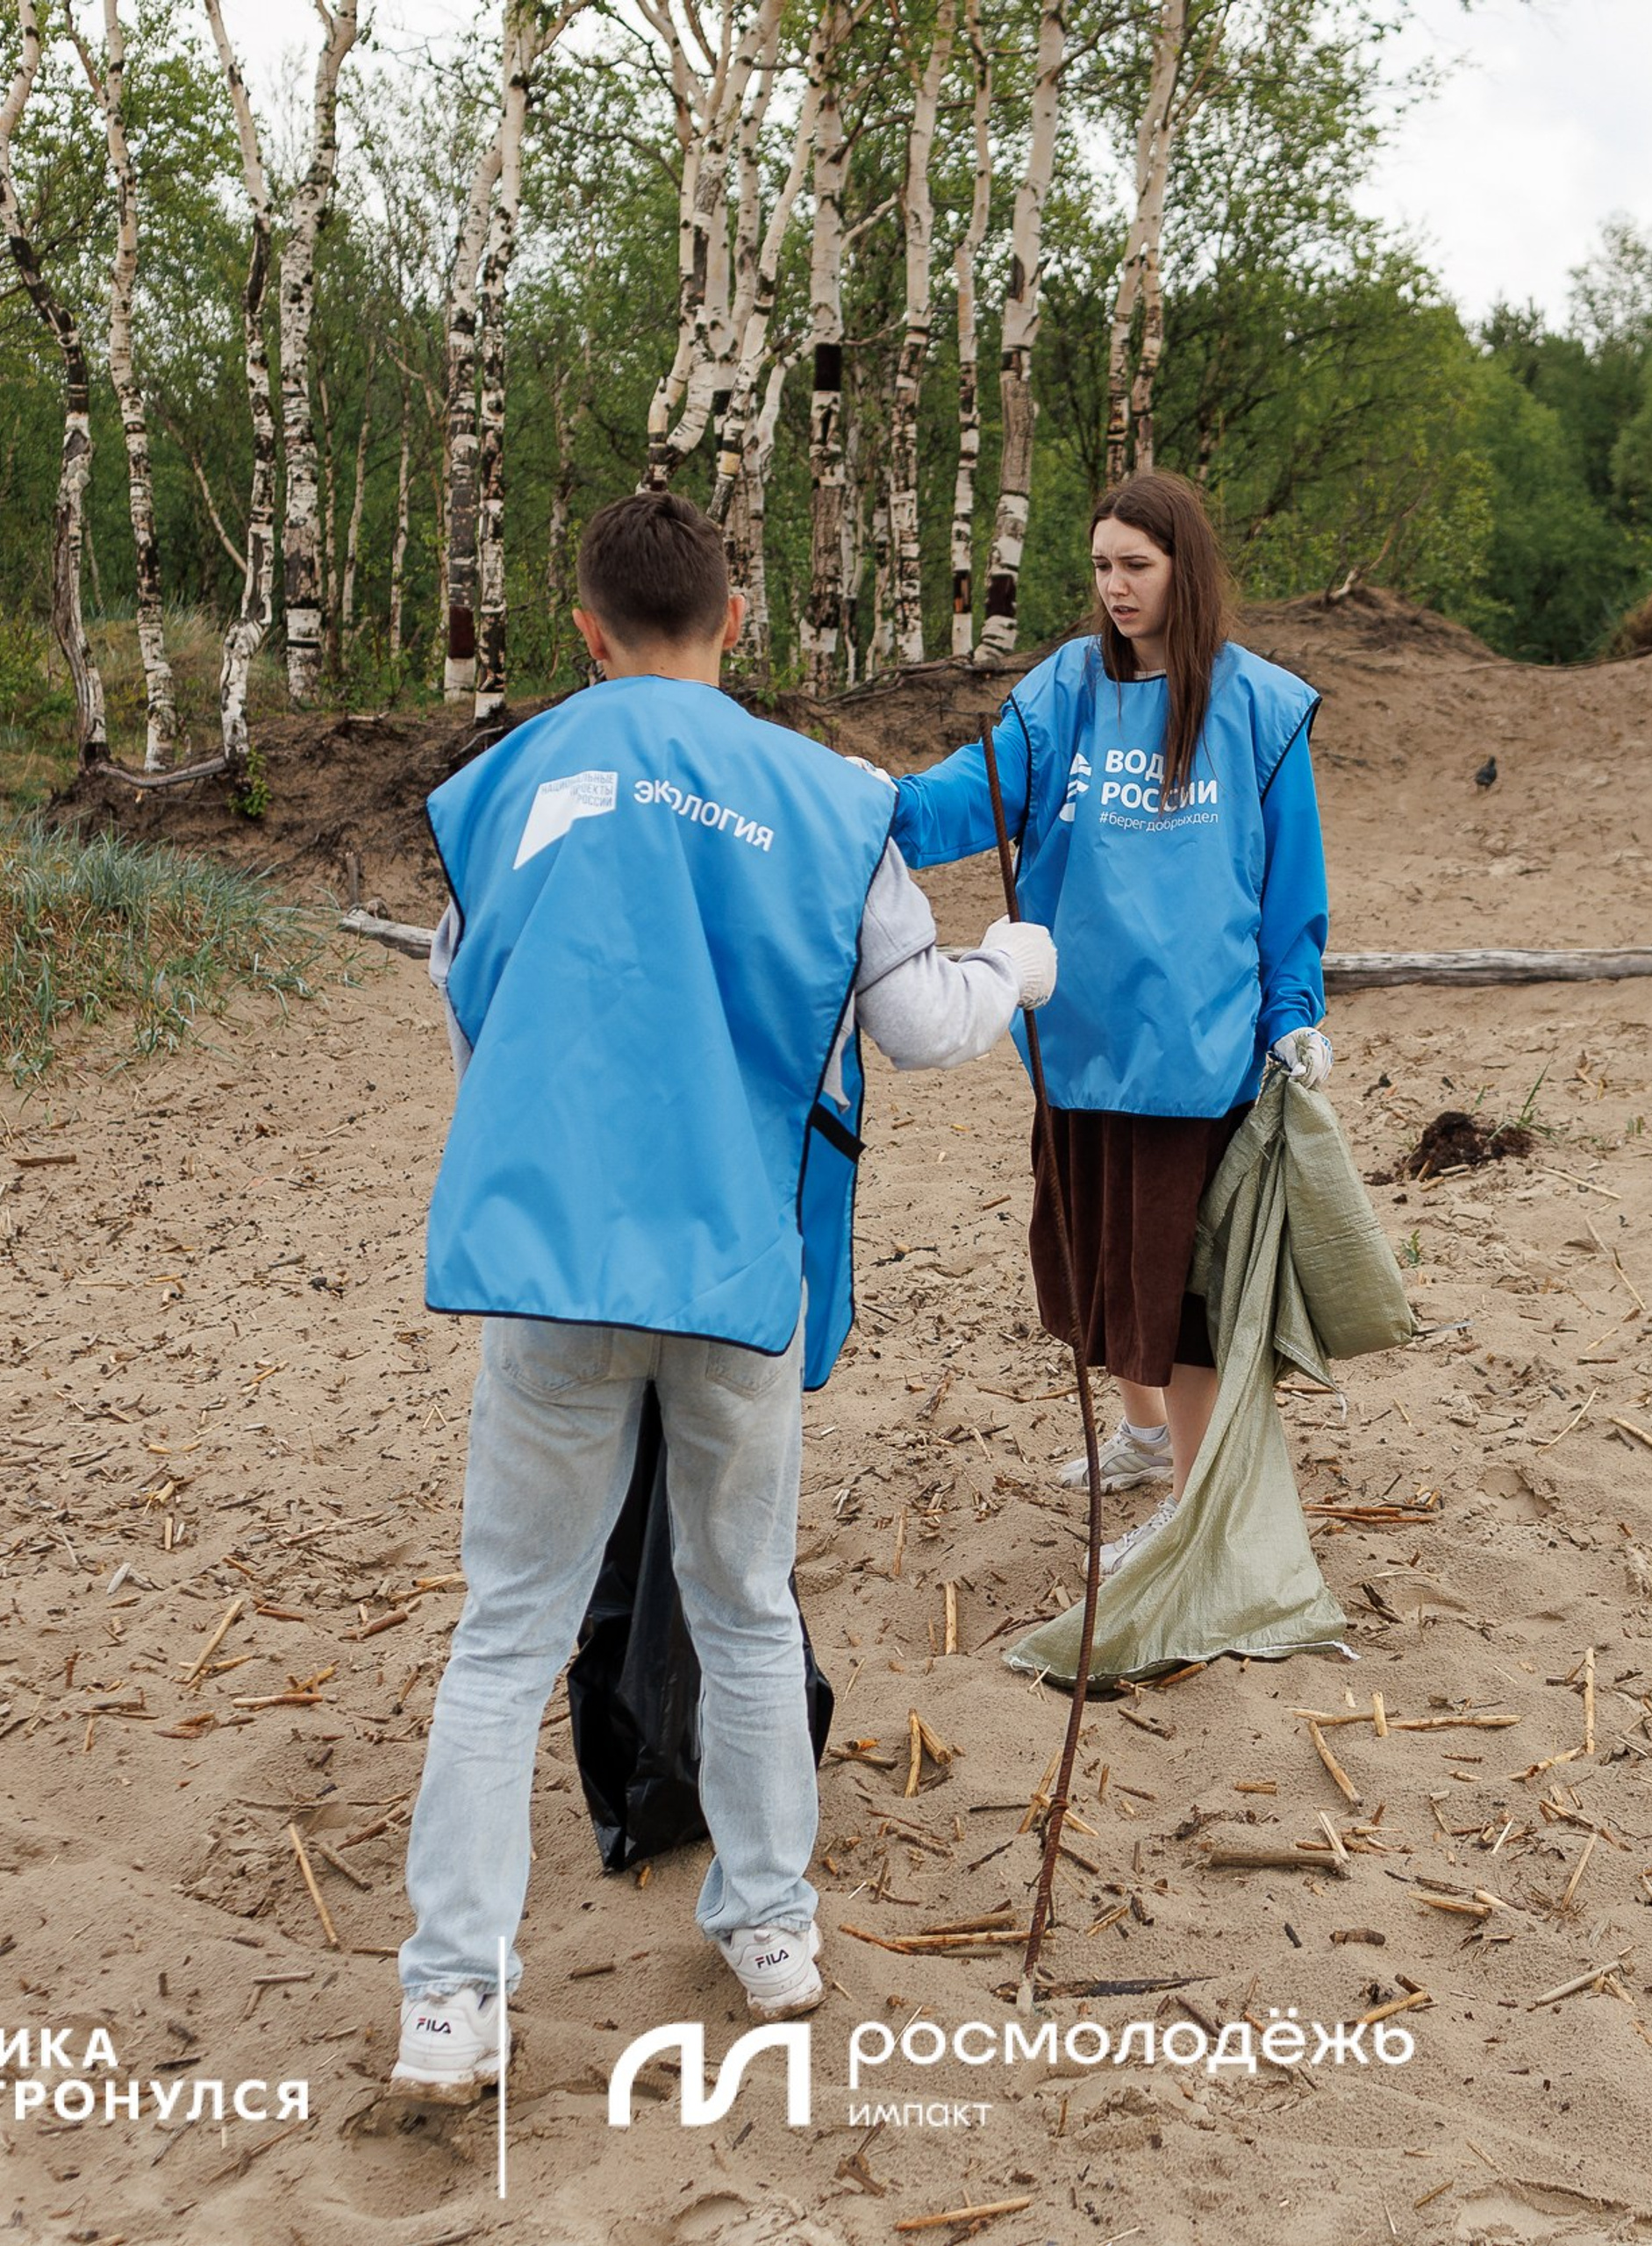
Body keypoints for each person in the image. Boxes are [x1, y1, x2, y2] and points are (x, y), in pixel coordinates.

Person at [389, 490, 1056, 2104]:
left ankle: (453, 2000)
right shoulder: (829, 800)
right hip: (737, 1264)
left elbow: (463, 989)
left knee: (504, 1635)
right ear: (736, 620)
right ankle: (772, 1929)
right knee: (746, 1604)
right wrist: (1020, 963)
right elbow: (918, 1027)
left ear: (586, 628)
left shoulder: (504, 788)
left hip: (552, 1269)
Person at [888, 469, 1331, 1568]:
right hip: (1076, 1035)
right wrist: (860, 809)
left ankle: (1193, 1514)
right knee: (1098, 1266)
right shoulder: (1067, 691)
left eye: (1136, 564)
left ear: (1185, 566)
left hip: (1194, 1048)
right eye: (1100, 565)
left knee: (1175, 1290)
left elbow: (1289, 884)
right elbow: (971, 793)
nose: (1116, 586)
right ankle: (1141, 1442)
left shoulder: (1258, 707)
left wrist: (1293, 1011)